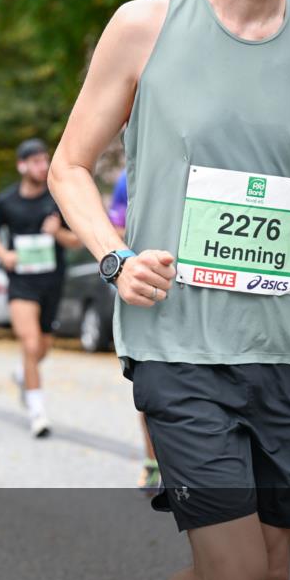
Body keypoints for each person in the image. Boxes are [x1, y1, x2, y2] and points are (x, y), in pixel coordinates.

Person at [47, 0, 290, 580]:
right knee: (235, 576)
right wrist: (115, 257)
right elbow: (69, 165)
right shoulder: (144, 25)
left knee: (271, 577)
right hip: (178, 343)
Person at [0, 138, 80, 438]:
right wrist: (4, 255)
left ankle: (23, 373)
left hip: (52, 280)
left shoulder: (58, 198)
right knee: (29, 342)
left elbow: (78, 239)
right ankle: (38, 413)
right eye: (36, 161)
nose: (43, 166)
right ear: (21, 165)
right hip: (21, 282)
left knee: (42, 347)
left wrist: (59, 232)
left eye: (45, 160)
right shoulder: (7, 201)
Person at [111, 168, 162, 496]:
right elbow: (112, 228)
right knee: (153, 383)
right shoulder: (126, 177)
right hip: (148, 283)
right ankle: (152, 461)